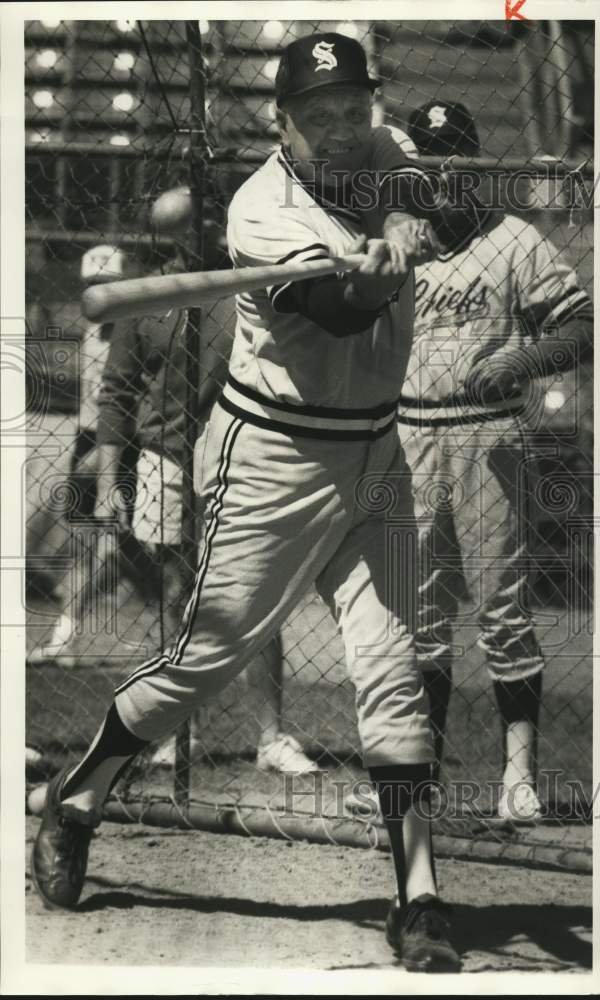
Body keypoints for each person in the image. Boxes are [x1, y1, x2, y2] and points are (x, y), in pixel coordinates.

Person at [31, 33, 469, 972]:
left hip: (376, 451)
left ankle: (420, 897)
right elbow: (341, 311)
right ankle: (80, 795)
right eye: (321, 120)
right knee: (202, 664)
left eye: (354, 110)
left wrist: (399, 224)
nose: (344, 132)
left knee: (392, 669)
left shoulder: (382, 145)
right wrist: (366, 274)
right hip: (273, 455)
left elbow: (437, 199)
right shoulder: (260, 214)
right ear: (283, 126)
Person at [391, 101, 592, 821]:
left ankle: (518, 778)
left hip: (490, 437)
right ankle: (419, 776)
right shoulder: (394, 240)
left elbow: (582, 327)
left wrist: (524, 358)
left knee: (503, 611)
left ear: (474, 163)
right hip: (408, 435)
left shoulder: (515, 240)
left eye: (454, 154)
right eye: (427, 156)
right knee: (416, 618)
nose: (441, 171)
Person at [94, 262, 319, 776]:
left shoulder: (247, 284)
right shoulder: (146, 294)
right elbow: (116, 389)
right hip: (164, 458)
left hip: (242, 453)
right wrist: (109, 483)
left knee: (256, 591)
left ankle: (270, 737)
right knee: (178, 594)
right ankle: (180, 733)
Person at [27, 245, 136, 667]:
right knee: (88, 544)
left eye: (108, 287)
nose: (99, 296)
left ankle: (171, 636)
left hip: (124, 444)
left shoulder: (132, 326)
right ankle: (64, 637)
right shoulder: (93, 327)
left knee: (131, 548)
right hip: (87, 438)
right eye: (92, 286)